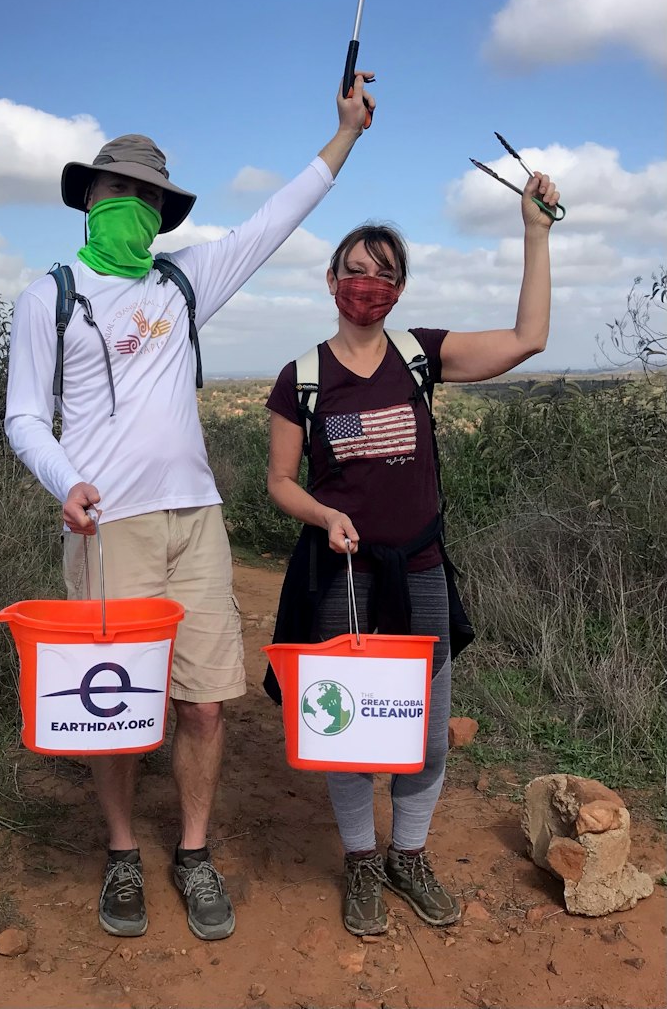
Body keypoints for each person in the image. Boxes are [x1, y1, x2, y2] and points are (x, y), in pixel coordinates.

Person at [4, 72, 377, 941]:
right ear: (88, 197)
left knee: (206, 701)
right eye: (117, 188)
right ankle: (125, 851)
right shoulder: (48, 295)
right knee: (117, 707)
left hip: (197, 521)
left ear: (163, 211)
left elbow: (271, 220)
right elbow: (24, 413)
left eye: (146, 194)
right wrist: (68, 483)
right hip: (109, 530)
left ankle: (195, 852)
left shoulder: (183, 286)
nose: (129, 203)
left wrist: (347, 135)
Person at [264, 171, 560, 936]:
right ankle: (362, 860)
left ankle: (409, 854)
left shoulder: (421, 354)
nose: (368, 283)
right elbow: (279, 483)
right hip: (342, 580)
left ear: (399, 287)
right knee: (351, 730)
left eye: (383, 273)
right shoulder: (300, 377)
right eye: (355, 270)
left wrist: (535, 231)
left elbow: (529, 339)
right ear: (331, 280)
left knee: (425, 731)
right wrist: (324, 512)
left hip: (421, 571)